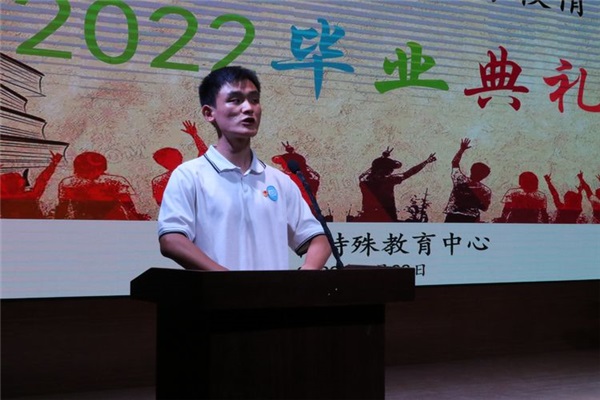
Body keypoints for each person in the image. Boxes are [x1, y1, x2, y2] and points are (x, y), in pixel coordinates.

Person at [157, 66, 331, 271]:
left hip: (274, 293)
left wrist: (304, 275)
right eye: (236, 100)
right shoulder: (189, 175)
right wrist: (228, 280)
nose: (248, 108)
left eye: (254, 100)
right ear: (209, 113)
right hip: (217, 291)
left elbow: (319, 240)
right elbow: (171, 239)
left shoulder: (279, 181)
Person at [443, 138, 492, 222]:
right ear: (484, 176)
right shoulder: (485, 190)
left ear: (471, 170)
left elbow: (454, 163)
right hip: (471, 218)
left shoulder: (460, 179)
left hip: (453, 215)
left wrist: (461, 150)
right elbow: (484, 208)